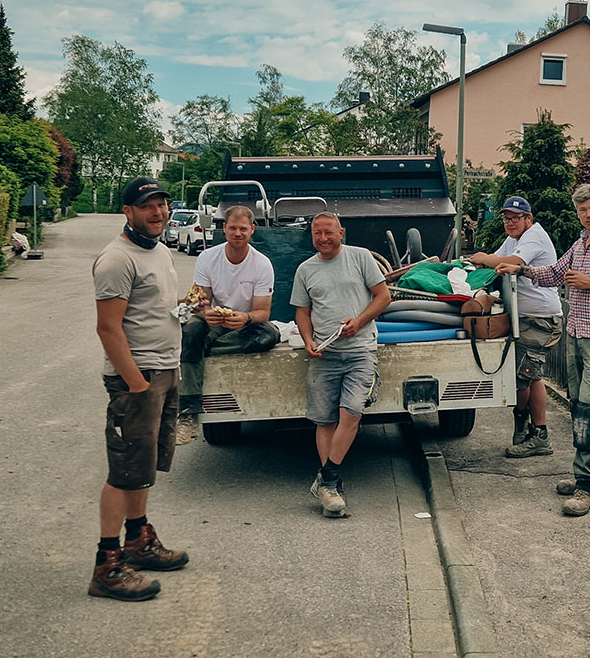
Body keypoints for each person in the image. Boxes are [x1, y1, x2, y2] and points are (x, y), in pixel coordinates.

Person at [496, 183, 590, 517]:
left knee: (589, 408)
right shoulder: (580, 244)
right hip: (577, 334)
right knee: (580, 405)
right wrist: (521, 269)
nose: (587, 215)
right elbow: (554, 274)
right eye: (581, 210)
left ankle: (585, 486)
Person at [90, 177, 195, 601]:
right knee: (125, 470)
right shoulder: (116, 259)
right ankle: (107, 564)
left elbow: (156, 311)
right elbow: (108, 328)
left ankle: (138, 541)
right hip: (139, 378)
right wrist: (136, 383)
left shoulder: (162, 251)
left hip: (164, 371)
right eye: (148, 205)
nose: (159, 212)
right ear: (128, 212)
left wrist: (190, 308)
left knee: (144, 469)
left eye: (163, 204)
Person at [291, 212, 391, 517]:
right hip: (325, 354)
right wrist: (308, 340)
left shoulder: (360, 258)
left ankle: (328, 479)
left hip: (360, 350)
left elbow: (384, 296)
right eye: (317, 233)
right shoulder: (305, 269)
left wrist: (359, 322)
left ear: (341, 232)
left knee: (351, 413)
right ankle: (330, 487)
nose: (323, 238)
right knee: (324, 420)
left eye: (328, 232)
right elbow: (302, 312)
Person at [468, 195, 564, 458]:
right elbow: (496, 259)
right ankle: (530, 430)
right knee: (529, 376)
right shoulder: (514, 238)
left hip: (540, 319)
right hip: (525, 318)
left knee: (523, 377)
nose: (510, 222)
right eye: (506, 218)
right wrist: (485, 260)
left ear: (528, 219)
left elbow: (510, 264)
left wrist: (483, 257)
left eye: (516, 218)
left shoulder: (534, 236)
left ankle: (536, 433)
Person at [179, 205, 279, 413]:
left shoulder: (262, 264)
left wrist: (246, 317)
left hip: (243, 323)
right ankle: (189, 403)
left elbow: (263, 312)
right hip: (215, 318)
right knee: (191, 331)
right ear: (224, 228)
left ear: (252, 229)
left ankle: (204, 348)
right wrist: (207, 313)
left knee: (269, 335)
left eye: (243, 229)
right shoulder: (207, 257)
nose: (237, 233)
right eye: (233, 228)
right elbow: (199, 301)